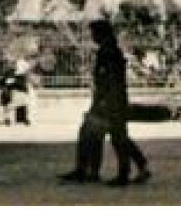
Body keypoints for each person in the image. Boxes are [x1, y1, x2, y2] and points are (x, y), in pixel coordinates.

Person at [61, 19, 150, 186]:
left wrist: (101, 102)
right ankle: (91, 170)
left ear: (101, 34)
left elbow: (108, 80)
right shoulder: (109, 50)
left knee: (112, 136)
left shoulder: (109, 52)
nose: (92, 36)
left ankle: (115, 173)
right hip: (111, 101)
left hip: (110, 102)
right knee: (104, 135)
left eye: (94, 33)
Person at [2, 58, 35, 126]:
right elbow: (7, 82)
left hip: (21, 92)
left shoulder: (22, 75)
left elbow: (22, 84)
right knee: (13, 105)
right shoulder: (11, 73)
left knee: (26, 104)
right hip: (15, 92)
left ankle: (24, 118)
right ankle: (7, 118)